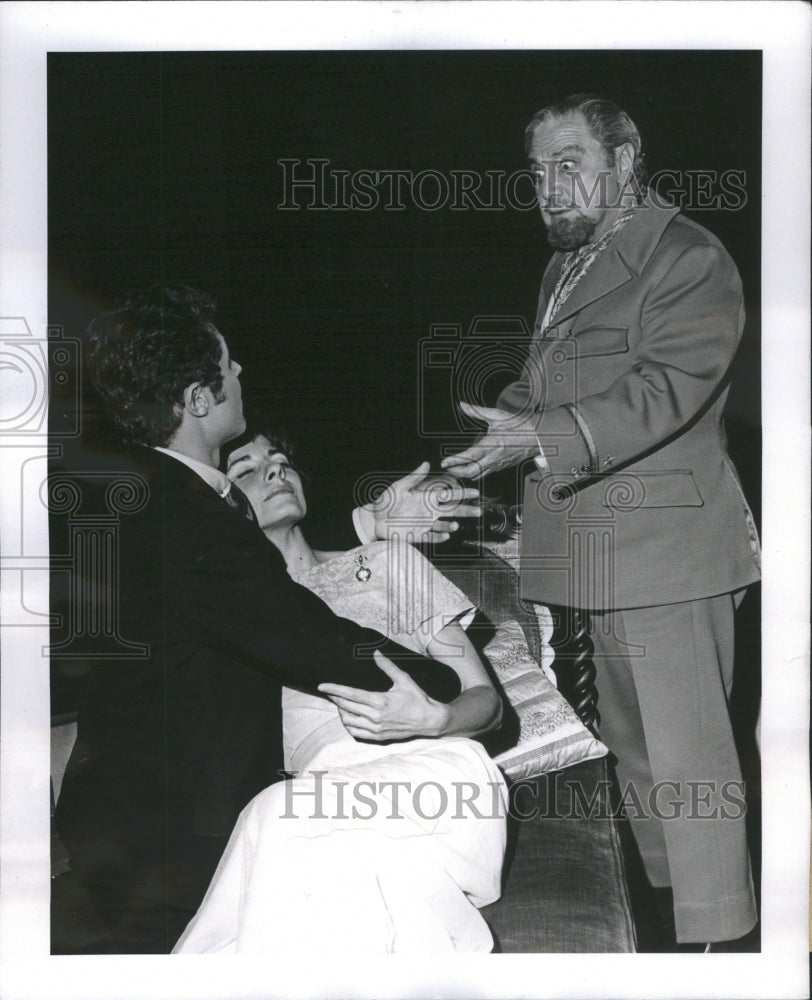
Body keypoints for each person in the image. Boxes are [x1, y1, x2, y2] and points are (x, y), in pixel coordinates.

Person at [53, 284, 481, 954]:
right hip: (165, 850)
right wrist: (451, 692)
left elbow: (259, 561)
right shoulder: (191, 520)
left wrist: (364, 526)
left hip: (123, 821)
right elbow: (310, 635)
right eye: (228, 367)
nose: (241, 373)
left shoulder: (136, 496)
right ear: (198, 400)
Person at [441, 94, 761, 948]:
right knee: (640, 756)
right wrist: (484, 441)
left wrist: (535, 437)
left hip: (670, 552)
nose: (549, 186)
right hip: (601, 553)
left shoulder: (688, 256)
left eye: (569, 163)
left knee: (691, 771)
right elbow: (547, 392)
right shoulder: (567, 268)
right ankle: (664, 928)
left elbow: (664, 387)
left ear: (625, 163)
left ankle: (722, 952)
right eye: (539, 171)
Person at [172, 427, 508, 953]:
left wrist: (435, 719)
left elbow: (486, 703)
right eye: (246, 470)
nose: (274, 471)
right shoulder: (227, 614)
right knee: (294, 828)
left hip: (436, 772)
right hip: (309, 788)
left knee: (285, 819)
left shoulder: (389, 561)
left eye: (280, 460)